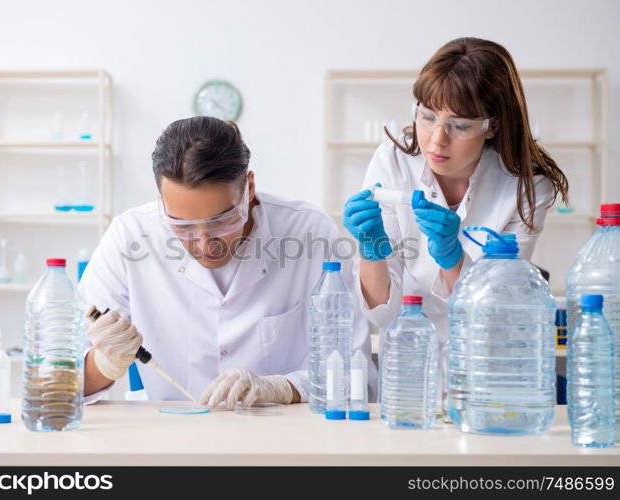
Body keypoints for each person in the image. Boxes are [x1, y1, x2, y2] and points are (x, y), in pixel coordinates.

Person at [80, 116, 375, 408]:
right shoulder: (129, 236)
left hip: (282, 437)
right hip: (171, 437)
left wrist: (282, 388)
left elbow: (355, 370)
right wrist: (104, 364)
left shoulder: (310, 232)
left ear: (249, 188)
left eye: (222, 221)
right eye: (182, 227)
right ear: (161, 201)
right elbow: (54, 383)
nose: (206, 245)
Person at [343, 37, 569, 385]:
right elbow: (383, 312)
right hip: (409, 371)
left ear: (491, 125)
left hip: (490, 369)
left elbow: (496, 310)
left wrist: (453, 260)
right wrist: (371, 249)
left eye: (459, 125)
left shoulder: (524, 186)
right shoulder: (391, 162)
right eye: (427, 116)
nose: (436, 140)